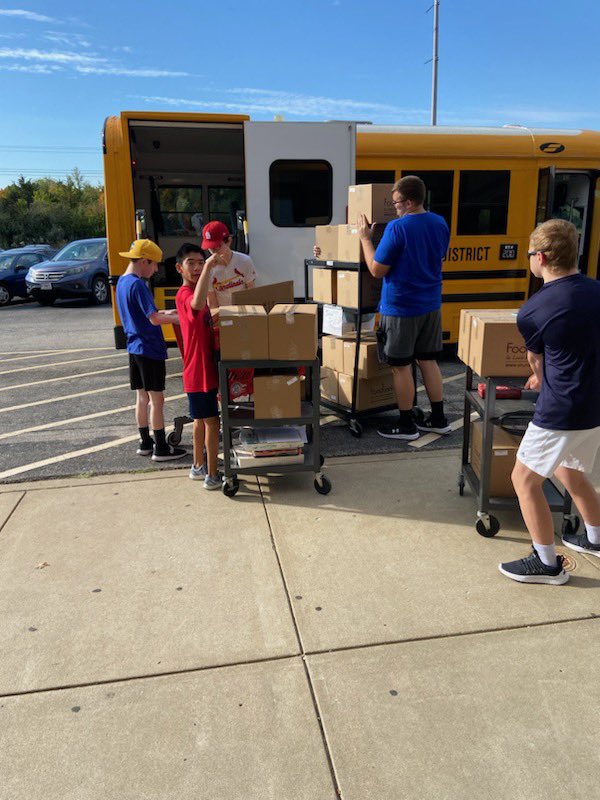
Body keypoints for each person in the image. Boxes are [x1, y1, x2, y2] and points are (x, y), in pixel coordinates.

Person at [499, 219, 600, 584]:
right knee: (570, 471)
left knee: (523, 479)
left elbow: (536, 364)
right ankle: (595, 539)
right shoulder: (597, 290)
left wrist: (541, 377)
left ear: (540, 257)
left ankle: (546, 563)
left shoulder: (533, 311)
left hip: (561, 409)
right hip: (594, 407)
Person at [358, 176, 451, 440]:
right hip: (431, 303)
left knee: (400, 366)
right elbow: (439, 255)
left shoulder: (398, 228)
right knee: (428, 361)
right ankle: (438, 418)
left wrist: (366, 239)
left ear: (409, 202)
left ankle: (406, 424)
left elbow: (376, 269)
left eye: (397, 203)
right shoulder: (440, 222)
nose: (394, 208)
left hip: (401, 306)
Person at [115, 239, 187, 462]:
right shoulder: (139, 284)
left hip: (134, 347)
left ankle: (145, 442)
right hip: (149, 348)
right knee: (157, 400)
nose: (155, 269)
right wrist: (183, 317)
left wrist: (169, 311)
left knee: (141, 397)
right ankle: (161, 448)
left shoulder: (122, 282)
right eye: (154, 264)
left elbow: (148, 313)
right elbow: (154, 319)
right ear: (144, 261)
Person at [174, 243, 222, 490]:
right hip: (199, 372)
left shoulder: (197, 293)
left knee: (199, 421)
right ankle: (212, 476)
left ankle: (198, 465)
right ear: (179, 268)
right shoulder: (185, 294)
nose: (196, 267)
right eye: (190, 263)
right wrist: (210, 267)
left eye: (200, 262)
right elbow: (195, 303)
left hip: (199, 370)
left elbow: (200, 317)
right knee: (213, 422)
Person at [201, 220, 257, 308]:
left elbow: (251, 292)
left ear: (229, 241)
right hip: (223, 314)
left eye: (218, 246)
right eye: (211, 248)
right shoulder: (207, 268)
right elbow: (211, 301)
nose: (215, 252)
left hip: (244, 312)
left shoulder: (244, 260)